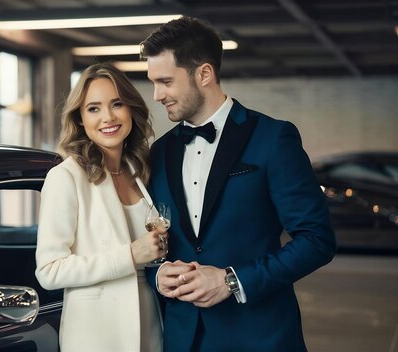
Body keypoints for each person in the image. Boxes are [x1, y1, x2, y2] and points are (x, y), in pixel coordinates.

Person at [139, 16, 336, 351]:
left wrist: (232, 280)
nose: (157, 95)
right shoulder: (160, 152)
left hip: (259, 336)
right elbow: (158, 240)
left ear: (204, 74)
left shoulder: (273, 138)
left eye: (166, 82)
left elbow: (317, 240)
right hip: (182, 339)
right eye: (153, 82)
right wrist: (157, 275)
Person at [35, 63, 166, 351]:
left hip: (149, 329)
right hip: (97, 335)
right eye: (93, 108)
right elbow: (49, 271)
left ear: (131, 108)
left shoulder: (139, 172)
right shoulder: (66, 177)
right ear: (80, 119)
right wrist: (130, 255)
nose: (108, 117)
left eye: (116, 104)